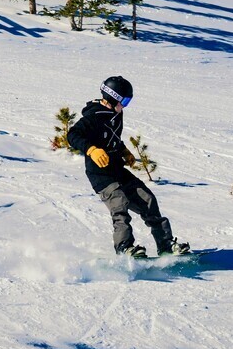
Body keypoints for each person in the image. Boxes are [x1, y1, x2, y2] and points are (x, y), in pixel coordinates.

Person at [67, 76, 190, 259]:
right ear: (112, 98)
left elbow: (112, 136)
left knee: (148, 199)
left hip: (117, 170)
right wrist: (91, 150)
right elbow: (73, 135)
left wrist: (123, 150)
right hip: (100, 174)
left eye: (128, 101)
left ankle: (165, 244)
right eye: (124, 101)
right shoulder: (93, 117)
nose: (125, 105)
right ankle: (125, 248)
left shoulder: (116, 113)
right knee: (120, 206)